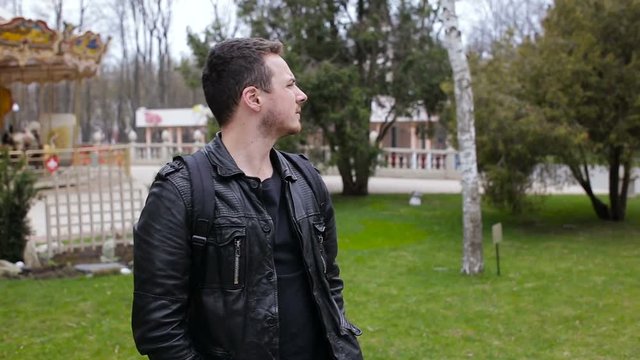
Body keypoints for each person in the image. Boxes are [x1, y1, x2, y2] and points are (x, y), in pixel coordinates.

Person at [132, 38, 363, 360]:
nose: (302, 95)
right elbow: (158, 328)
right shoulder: (180, 190)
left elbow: (329, 283)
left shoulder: (306, 179)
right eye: (290, 85)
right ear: (253, 98)